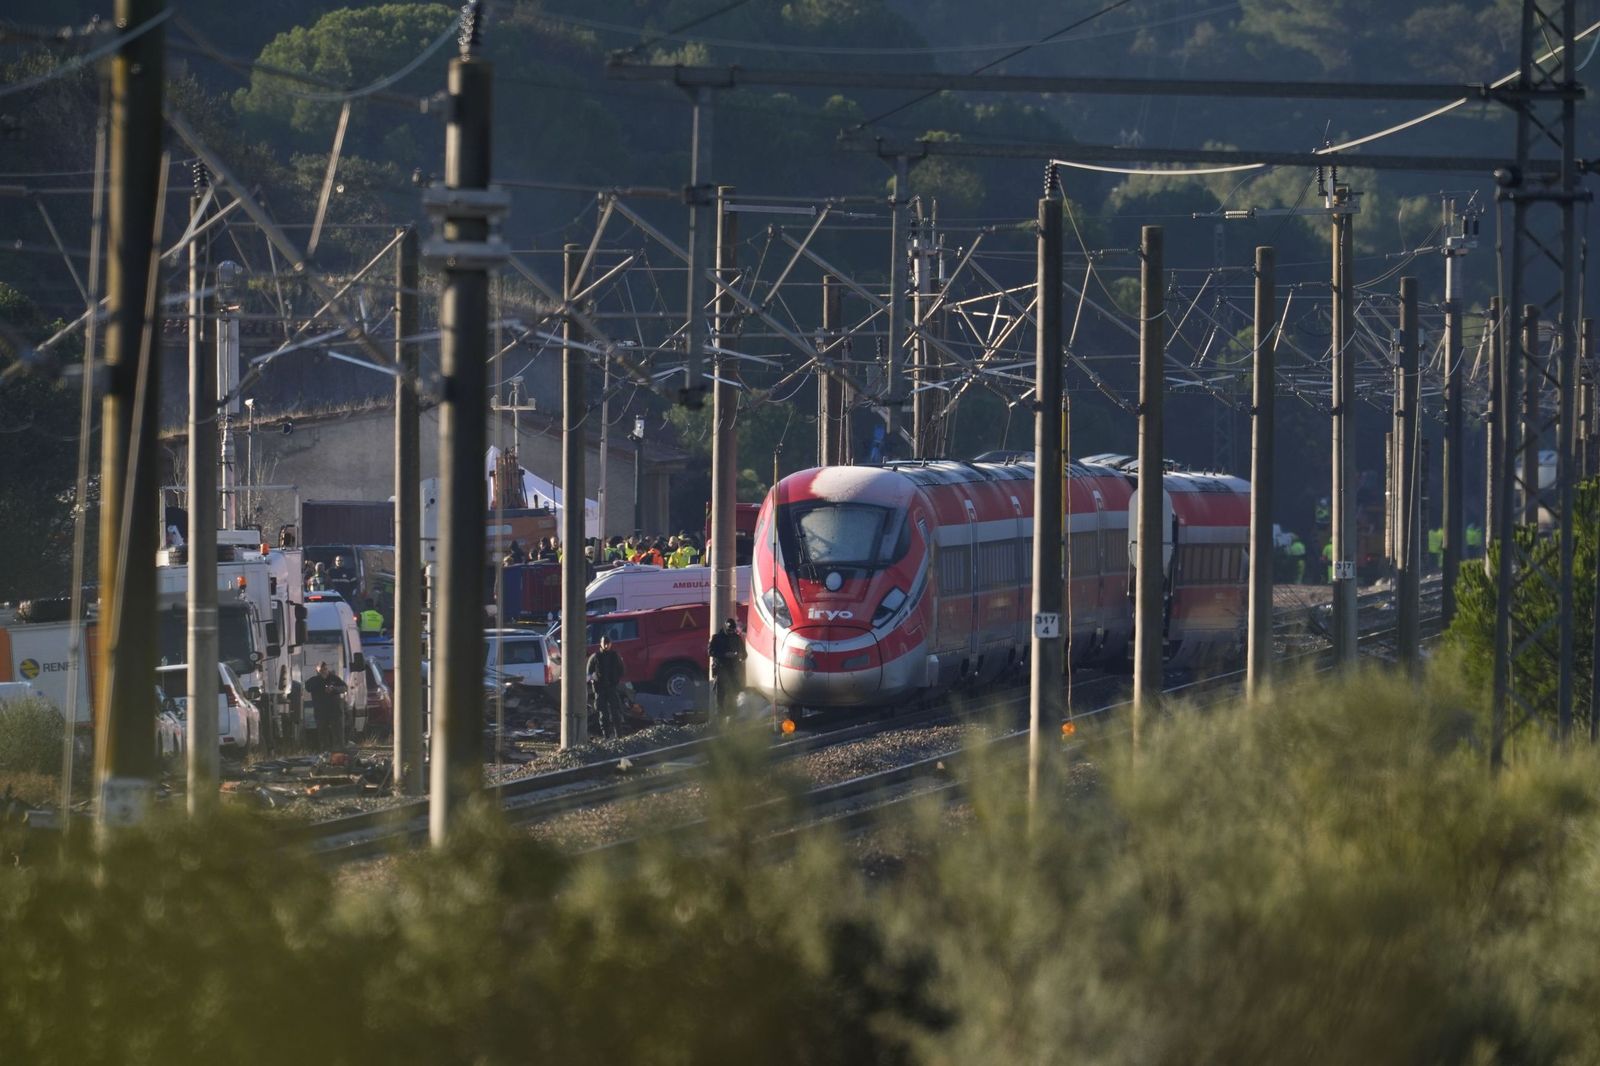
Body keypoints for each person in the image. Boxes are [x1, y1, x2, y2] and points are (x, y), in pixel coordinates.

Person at [587, 636, 627, 740]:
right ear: (600, 643)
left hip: (612, 688)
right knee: (603, 714)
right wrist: (593, 677)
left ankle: (619, 735)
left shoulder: (615, 656)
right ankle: (606, 736)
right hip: (600, 689)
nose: (606, 645)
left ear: (610, 644)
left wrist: (615, 681)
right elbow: (588, 673)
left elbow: (621, 670)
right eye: (604, 643)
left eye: (608, 643)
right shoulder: (595, 656)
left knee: (615, 712)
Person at [303, 660, 348, 751]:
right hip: (321, 711)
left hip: (335, 711)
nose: (324, 671)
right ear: (317, 671)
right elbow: (308, 688)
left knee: (337, 732)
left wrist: (334, 689)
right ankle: (325, 751)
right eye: (321, 670)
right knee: (323, 732)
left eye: (325, 669)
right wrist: (319, 682)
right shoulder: (313, 680)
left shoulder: (334, 678)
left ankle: (339, 750)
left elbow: (344, 687)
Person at [708, 619, 747, 722]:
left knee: (735, 690)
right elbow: (711, 651)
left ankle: (733, 713)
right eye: (730, 631)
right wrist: (724, 654)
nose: (731, 633)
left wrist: (739, 656)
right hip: (721, 667)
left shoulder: (737, 638)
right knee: (720, 693)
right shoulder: (717, 638)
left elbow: (744, 654)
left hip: (733, 668)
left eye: (733, 631)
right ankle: (720, 715)